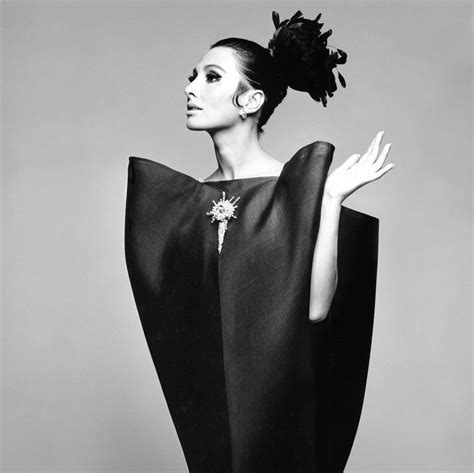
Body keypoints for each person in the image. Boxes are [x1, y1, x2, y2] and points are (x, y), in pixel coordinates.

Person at [125, 9, 394, 473]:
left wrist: (329, 200)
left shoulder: (295, 191)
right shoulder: (182, 206)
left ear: (251, 100)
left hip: (284, 423)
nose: (191, 88)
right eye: (193, 77)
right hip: (212, 431)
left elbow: (316, 309)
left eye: (211, 77)